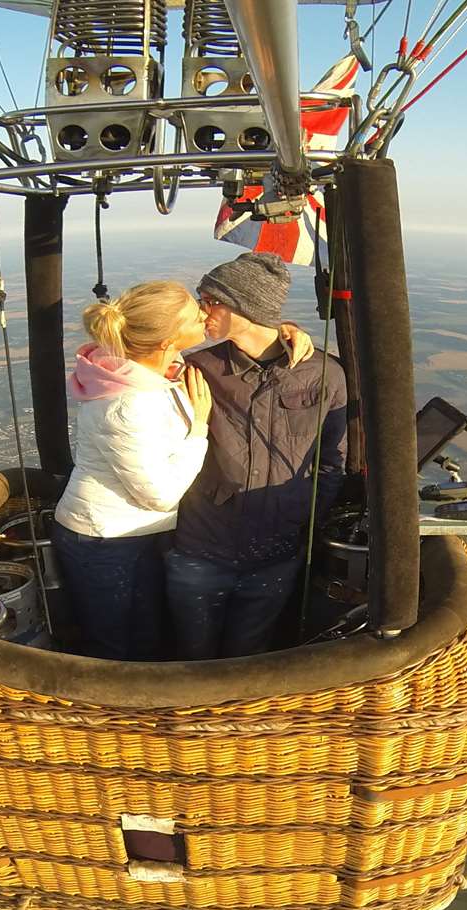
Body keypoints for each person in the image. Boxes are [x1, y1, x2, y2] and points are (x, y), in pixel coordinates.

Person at [166, 252, 348, 660]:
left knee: (250, 659)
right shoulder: (198, 367)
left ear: (243, 307)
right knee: (191, 660)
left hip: (276, 556)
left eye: (210, 299)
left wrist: (298, 512)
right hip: (200, 549)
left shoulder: (324, 375)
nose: (202, 309)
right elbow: (134, 355)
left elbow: (331, 463)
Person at [50, 281, 213, 660]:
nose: (203, 315)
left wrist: (286, 332)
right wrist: (199, 430)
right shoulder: (128, 403)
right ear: (166, 340)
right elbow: (159, 495)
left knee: (145, 635)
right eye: (193, 315)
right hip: (102, 539)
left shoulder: (135, 371)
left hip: (126, 533)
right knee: (115, 647)